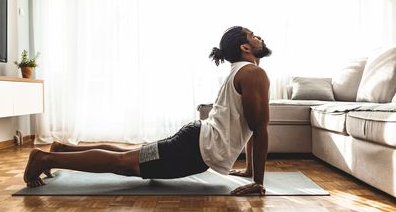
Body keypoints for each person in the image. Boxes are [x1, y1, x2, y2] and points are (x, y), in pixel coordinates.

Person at [23, 26, 271, 196]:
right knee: (124, 163)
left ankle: (62, 150)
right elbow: (259, 130)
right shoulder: (253, 73)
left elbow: (251, 125)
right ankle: (45, 159)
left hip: (196, 142)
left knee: (128, 155)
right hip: (194, 149)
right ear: (245, 48)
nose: (259, 37)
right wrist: (257, 182)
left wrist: (250, 171)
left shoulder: (242, 72)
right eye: (253, 35)